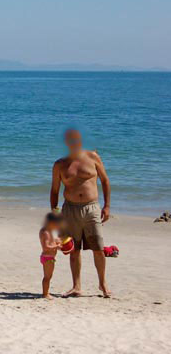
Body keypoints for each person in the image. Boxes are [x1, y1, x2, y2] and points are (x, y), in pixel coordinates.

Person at [50, 128, 111, 298]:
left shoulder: (93, 157)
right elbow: (54, 190)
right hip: (70, 209)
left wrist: (106, 206)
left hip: (92, 208)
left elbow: (105, 181)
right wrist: (54, 212)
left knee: (98, 248)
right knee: (74, 250)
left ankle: (103, 284)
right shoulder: (60, 164)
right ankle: (76, 286)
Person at [39, 212, 63, 299]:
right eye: (57, 224)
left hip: (49, 257)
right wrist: (56, 246)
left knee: (49, 276)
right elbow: (46, 247)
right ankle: (45, 294)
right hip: (47, 258)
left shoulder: (49, 231)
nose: (58, 227)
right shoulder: (45, 233)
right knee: (47, 277)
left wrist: (58, 243)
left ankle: (46, 292)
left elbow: (51, 243)